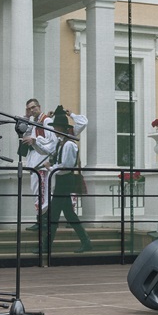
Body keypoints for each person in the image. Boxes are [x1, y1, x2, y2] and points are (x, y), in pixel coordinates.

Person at [41, 107, 92, 253]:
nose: (54, 130)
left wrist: (50, 167)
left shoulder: (68, 144)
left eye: (56, 127)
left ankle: (46, 246)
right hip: (62, 181)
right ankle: (86, 242)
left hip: (65, 181)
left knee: (54, 214)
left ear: (62, 128)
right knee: (69, 214)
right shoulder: (61, 143)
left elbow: (66, 166)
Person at [22, 98, 54, 231]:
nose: (32, 110)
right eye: (29, 108)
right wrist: (26, 117)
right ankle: (40, 220)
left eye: (33, 107)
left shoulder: (46, 121)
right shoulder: (34, 122)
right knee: (37, 192)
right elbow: (23, 133)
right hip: (34, 162)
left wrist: (36, 141)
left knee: (42, 193)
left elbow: (51, 142)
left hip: (41, 161)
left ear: (39, 107)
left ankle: (43, 221)